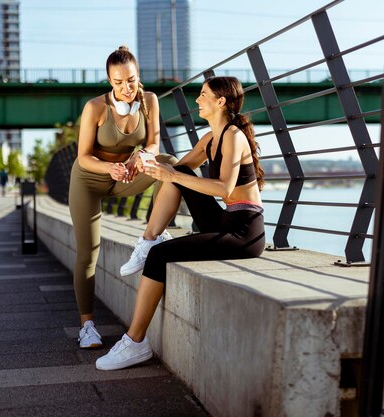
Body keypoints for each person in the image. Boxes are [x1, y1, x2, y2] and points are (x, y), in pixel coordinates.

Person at [95, 76, 266, 371]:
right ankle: (148, 239)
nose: (197, 101)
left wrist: (171, 175)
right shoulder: (210, 138)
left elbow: (224, 188)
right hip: (223, 219)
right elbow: (175, 171)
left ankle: (135, 343)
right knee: (179, 169)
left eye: (203, 95)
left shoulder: (234, 136)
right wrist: (145, 162)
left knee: (162, 254)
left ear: (221, 101)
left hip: (244, 230)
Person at [69, 45, 176, 349]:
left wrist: (142, 155)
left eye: (131, 80)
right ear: (109, 82)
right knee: (88, 252)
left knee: (168, 165)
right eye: (118, 83)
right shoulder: (95, 108)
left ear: (137, 75)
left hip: (127, 177)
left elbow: (154, 142)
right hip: (90, 180)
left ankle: (150, 237)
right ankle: (87, 326)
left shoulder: (149, 101)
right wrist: (109, 167)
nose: (126, 88)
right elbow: (83, 157)